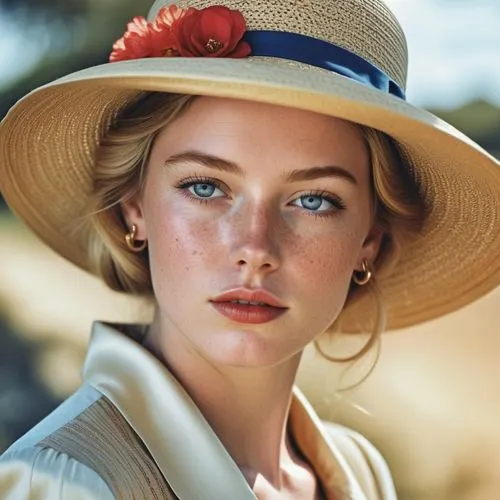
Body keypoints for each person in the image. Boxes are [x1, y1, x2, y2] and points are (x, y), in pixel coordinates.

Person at [0, 0, 499, 498]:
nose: (254, 248)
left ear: (369, 240)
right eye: (204, 187)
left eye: (313, 200)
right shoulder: (61, 482)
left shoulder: (362, 474)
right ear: (135, 209)